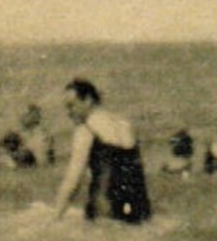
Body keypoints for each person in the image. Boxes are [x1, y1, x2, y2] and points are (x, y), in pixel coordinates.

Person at [50, 79, 152, 224]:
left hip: (104, 212)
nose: (68, 113)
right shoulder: (124, 124)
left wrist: (54, 218)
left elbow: (73, 179)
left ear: (88, 101)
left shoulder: (85, 130)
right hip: (139, 211)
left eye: (71, 106)